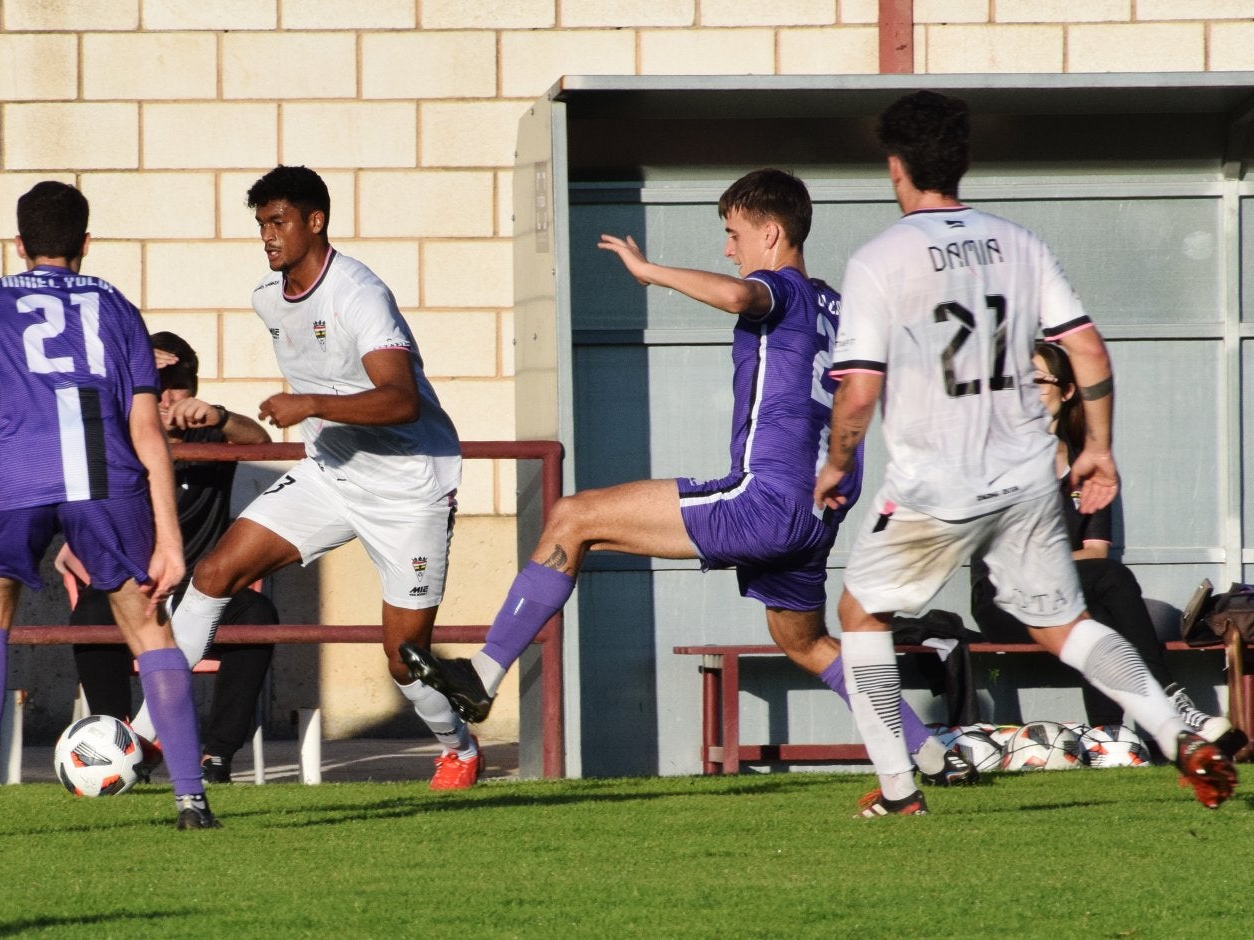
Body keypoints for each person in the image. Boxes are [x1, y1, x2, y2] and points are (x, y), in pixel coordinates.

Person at [400, 167, 976, 787]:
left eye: (734, 234)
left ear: (773, 233)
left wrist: (649, 273)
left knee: (574, 516)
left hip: (764, 499)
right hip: (815, 517)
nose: (729, 250)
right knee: (807, 644)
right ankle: (928, 751)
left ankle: (484, 677)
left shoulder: (779, 287)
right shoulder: (838, 306)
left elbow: (740, 296)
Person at [813, 90, 1237, 817]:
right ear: (964, 162)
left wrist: (836, 463)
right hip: (1024, 479)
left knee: (859, 613)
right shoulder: (1020, 243)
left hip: (933, 483)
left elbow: (856, 394)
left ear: (895, 168)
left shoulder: (879, 260)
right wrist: (1099, 447)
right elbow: (1088, 350)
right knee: (1063, 623)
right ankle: (1176, 729)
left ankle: (898, 794)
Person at [151, 165, 479, 790]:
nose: (268, 237)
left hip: (409, 490)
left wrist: (311, 405)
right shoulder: (267, 298)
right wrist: (313, 416)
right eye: (261, 226)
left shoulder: (359, 293)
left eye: (278, 223)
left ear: (315, 221)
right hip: (329, 473)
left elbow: (401, 400)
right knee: (216, 574)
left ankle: (458, 747)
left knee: (405, 660)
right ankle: (143, 738)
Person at [0, 181, 220, 833]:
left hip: (10, 476)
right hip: (104, 479)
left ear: (18, 245)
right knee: (151, 631)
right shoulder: (116, 306)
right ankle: (191, 802)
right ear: (85, 243)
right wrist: (170, 538)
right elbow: (146, 430)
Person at [971, 341, 1244, 754]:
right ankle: (1168, 696)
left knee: (1098, 614)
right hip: (1004, 602)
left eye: (1038, 381)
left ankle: (1107, 738)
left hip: (1062, 599)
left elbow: (1095, 551)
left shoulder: (1089, 467)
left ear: (1066, 392)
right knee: (1113, 577)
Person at [61, 331, 277, 784]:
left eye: (178, 387)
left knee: (258, 615)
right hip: (137, 589)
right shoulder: (118, 436)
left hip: (206, 589)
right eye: (156, 388)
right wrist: (123, 360)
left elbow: (260, 441)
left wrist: (219, 415)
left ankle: (217, 755)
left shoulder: (209, 434)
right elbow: (73, 413)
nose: (167, 399)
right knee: (93, 612)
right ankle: (118, 742)